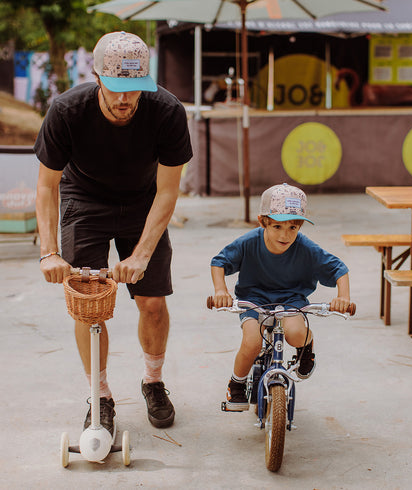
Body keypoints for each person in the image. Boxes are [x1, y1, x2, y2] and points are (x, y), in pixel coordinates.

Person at [35, 31, 193, 431]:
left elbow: (168, 190)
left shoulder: (166, 111)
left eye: (134, 90)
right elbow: (46, 186)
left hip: (144, 200)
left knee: (153, 301)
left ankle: (153, 382)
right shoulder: (67, 111)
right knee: (91, 306)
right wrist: (49, 252)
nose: (125, 99)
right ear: (98, 77)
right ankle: (100, 394)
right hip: (84, 197)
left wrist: (140, 254)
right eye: (117, 89)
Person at [210, 183, 350, 411]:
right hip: (254, 299)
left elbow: (338, 269)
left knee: (295, 333)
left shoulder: (305, 247)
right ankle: (236, 383)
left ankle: (307, 345)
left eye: (293, 227)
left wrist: (343, 296)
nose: (285, 235)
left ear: (300, 226)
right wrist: (220, 291)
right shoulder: (249, 243)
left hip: (291, 300)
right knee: (252, 342)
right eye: (277, 226)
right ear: (262, 221)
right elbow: (219, 262)